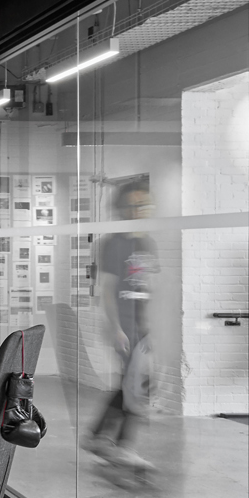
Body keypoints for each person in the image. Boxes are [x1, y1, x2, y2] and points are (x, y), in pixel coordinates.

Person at [85, 181, 158, 475]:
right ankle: (123, 447)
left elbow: (151, 286)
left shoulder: (148, 243)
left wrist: (154, 327)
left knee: (132, 385)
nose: (139, 210)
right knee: (137, 386)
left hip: (142, 326)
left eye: (144, 205)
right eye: (134, 205)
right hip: (123, 326)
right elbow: (108, 288)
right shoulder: (114, 243)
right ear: (123, 209)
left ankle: (98, 437)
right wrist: (116, 327)